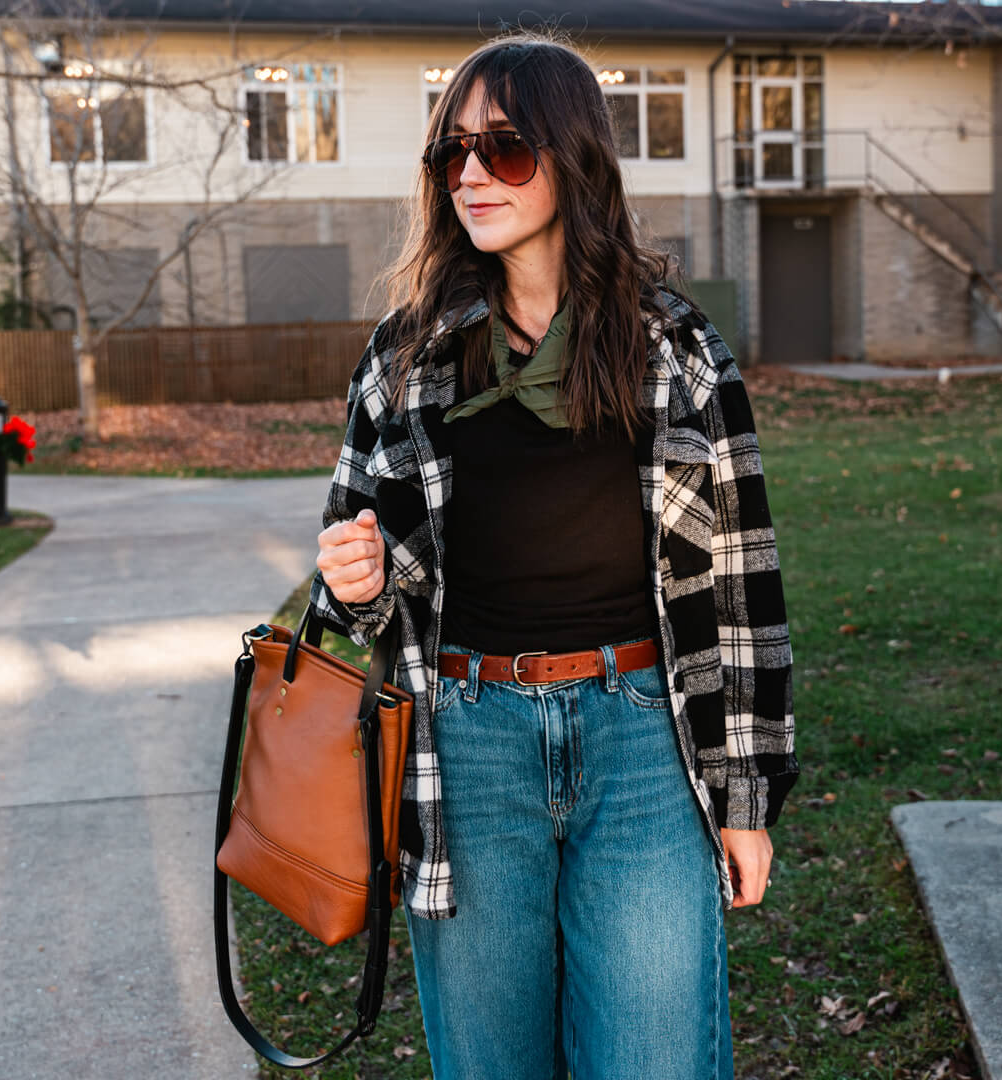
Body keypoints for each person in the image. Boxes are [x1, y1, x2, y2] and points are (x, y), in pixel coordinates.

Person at [312, 32, 799, 1080]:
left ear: (573, 159)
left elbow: (743, 579)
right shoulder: (409, 357)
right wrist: (347, 581)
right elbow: (348, 575)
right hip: (469, 745)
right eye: (455, 151)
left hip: (643, 746)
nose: (474, 174)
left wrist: (746, 800)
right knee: (494, 1064)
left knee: (655, 1060)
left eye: (508, 148)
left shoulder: (673, 346)